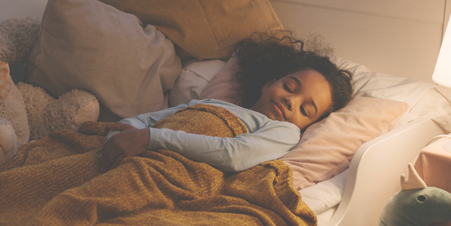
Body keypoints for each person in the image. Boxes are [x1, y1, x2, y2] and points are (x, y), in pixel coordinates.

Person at [98, 31, 353, 173]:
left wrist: (151, 138)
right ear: (268, 84)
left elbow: (234, 155)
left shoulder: (284, 132)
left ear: (308, 124)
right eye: (289, 87)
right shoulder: (212, 103)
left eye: (305, 109)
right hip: (130, 156)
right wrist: (122, 135)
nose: (290, 101)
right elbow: (152, 119)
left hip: (166, 169)